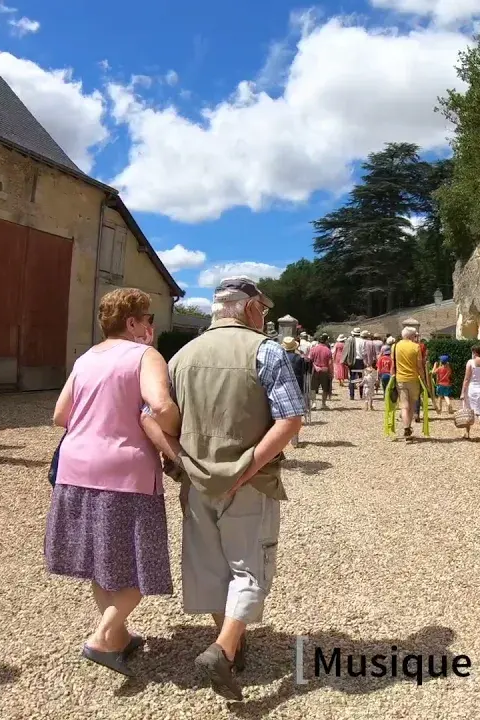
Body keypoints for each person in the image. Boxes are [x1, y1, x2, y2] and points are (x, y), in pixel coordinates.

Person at [169, 277, 305, 701]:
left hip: (195, 480)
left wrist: (182, 461)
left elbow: (153, 416)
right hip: (250, 479)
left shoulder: (180, 356)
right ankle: (224, 649)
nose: (264, 317)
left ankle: (230, 642)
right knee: (250, 567)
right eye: (262, 310)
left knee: (209, 564)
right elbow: (290, 420)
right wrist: (247, 467)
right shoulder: (265, 350)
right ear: (249, 309)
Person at [45, 288, 176, 677]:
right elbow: (162, 406)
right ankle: (102, 636)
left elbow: (59, 415)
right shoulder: (144, 356)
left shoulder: (85, 358)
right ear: (133, 323)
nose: (151, 325)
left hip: (74, 469)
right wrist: (177, 433)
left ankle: (118, 637)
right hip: (125, 471)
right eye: (147, 318)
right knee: (139, 563)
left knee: (102, 563)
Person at [391, 326, 427, 440]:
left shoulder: (395, 346)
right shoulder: (416, 347)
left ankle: (406, 427)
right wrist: (423, 379)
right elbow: (419, 366)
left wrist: (393, 376)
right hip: (413, 379)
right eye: (415, 336)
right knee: (411, 405)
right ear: (411, 336)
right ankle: (409, 426)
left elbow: (393, 364)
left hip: (400, 379)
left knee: (403, 405)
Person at [281, 336, 309, 447]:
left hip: (283, 386)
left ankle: (283, 437)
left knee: (284, 413)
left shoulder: (281, 358)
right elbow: (305, 371)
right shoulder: (299, 358)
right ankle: (295, 438)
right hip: (297, 386)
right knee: (296, 412)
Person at [461, 345, 480, 442]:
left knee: (468, 412)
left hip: (472, 389)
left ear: (475, 352)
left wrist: (462, 392)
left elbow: (466, 379)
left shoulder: (471, 362)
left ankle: (467, 433)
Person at [307, 334, 333, 410]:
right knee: (325, 388)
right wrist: (331, 373)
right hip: (325, 370)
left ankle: (314, 403)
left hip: (315, 370)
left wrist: (315, 367)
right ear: (326, 341)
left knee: (313, 388)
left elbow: (310, 360)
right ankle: (323, 403)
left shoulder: (313, 349)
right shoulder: (328, 350)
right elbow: (330, 363)